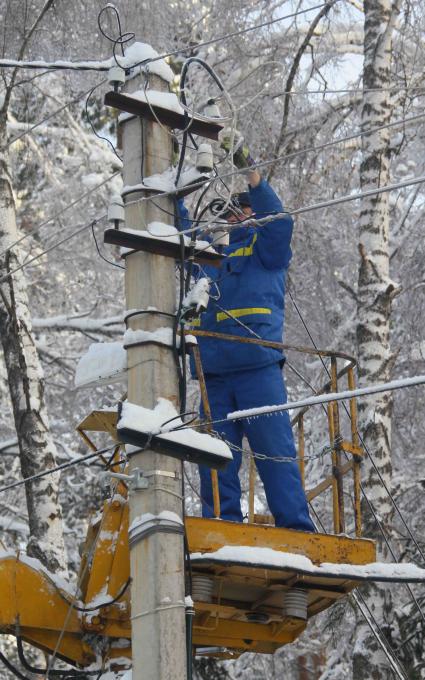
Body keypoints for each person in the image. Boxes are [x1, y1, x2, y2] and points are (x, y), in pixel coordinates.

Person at [179, 137, 315, 532]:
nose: (233, 217)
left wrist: (251, 172)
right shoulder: (208, 255)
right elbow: (177, 232)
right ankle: (222, 526)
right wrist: (173, 186)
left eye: (241, 210)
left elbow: (281, 221)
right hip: (214, 375)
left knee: (275, 454)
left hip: (258, 369)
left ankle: (296, 530)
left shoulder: (265, 251)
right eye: (229, 212)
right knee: (216, 458)